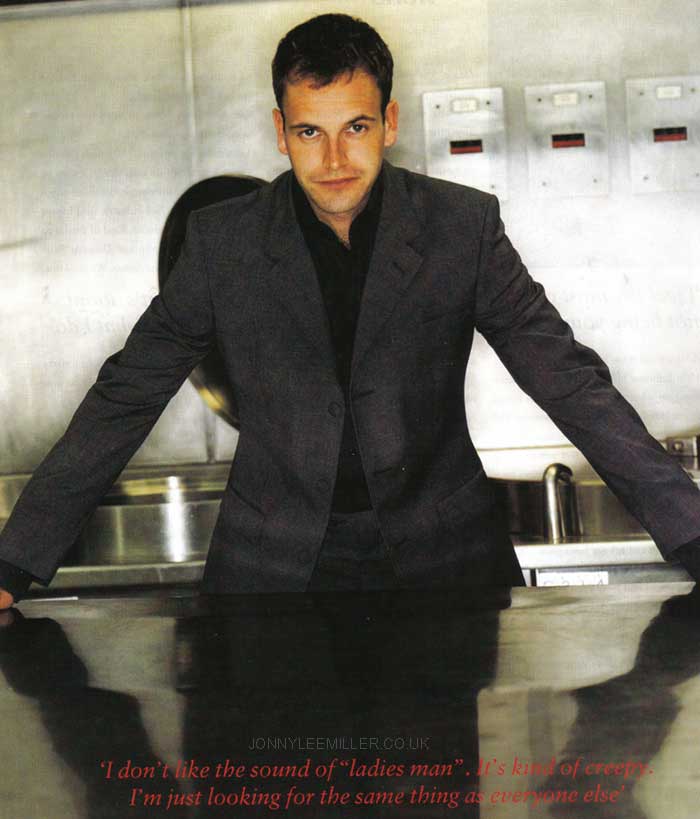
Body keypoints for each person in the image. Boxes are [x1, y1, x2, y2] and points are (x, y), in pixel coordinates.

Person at [2, 12, 700, 608]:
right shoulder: (222, 243)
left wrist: (691, 531)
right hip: (272, 573)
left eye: (355, 126)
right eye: (310, 132)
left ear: (389, 122)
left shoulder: (462, 227)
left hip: (446, 565)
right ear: (280, 131)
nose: (334, 158)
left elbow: (567, 379)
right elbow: (127, 393)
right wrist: (13, 562)